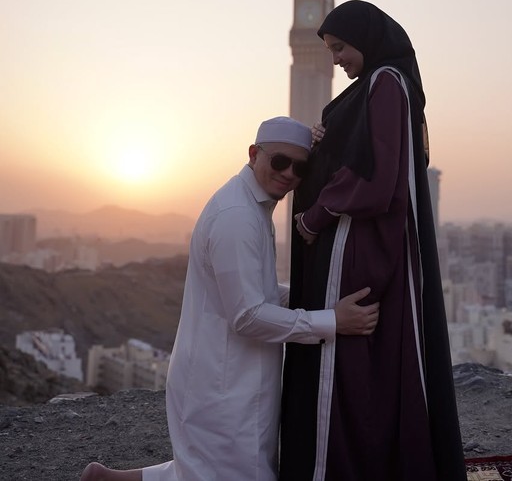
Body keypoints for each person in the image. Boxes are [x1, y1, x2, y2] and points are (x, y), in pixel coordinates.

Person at [80, 116, 379, 481]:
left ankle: (109, 479)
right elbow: (247, 316)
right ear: (254, 154)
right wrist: (331, 321)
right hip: (222, 387)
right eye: (279, 161)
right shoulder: (237, 216)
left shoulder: (251, 204)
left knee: (210, 469)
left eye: (300, 167)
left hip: (228, 378)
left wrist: (319, 298)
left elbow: (255, 291)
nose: (289, 174)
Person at [279, 1, 466, 481]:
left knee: (349, 363)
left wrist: (315, 217)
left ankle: (341, 464)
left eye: (340, 48)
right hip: (373, 245)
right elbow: (363, 153)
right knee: (373, 364)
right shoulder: (380, 86)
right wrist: (329, 135)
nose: (336, 59)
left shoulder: (385, 84)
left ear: (366, 38)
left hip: (356, 246)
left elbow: (376, 180)